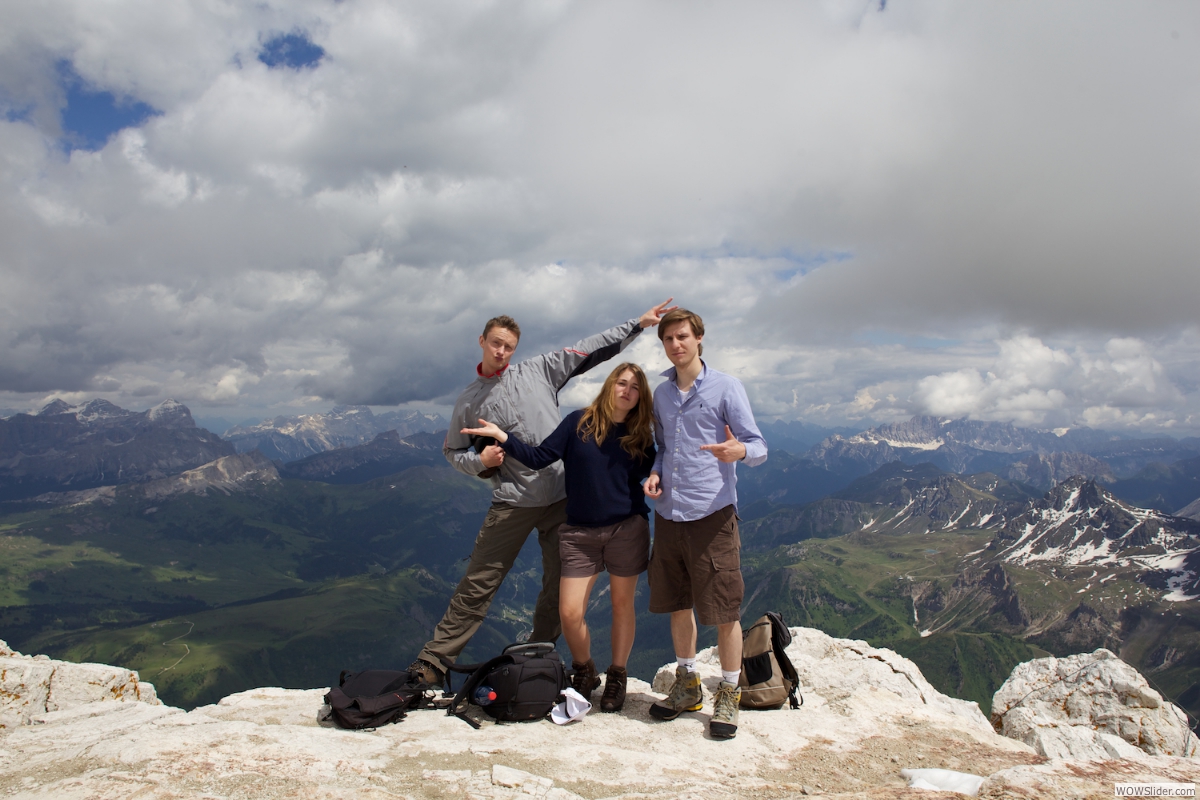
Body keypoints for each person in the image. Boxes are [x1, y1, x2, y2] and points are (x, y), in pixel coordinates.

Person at [407, 300, 677, 688]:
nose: (502, 352)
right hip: (513, 501)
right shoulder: (468, 401)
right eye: (496, 343)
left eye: (509, 346)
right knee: (479, 581)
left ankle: (538, 660)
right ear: (481, 341)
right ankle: (433, 662)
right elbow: (452, 452)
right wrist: (480, 461)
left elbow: (589, 349)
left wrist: (637, 325)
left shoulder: (539, 371)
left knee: (557, 587)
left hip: (564, 499)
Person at [462, 362, 656, 712]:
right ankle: (585, 671)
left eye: (636, 387)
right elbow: (540, 457)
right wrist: (504, 437)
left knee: (621, 605)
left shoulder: (640, 434)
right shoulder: (578, 422)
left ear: (641, 396)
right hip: (579, 531)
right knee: (569, 612)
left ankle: (617, 675)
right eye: (622, 383)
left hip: (626, 529)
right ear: (610, 385)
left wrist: (658, 477)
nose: (627, 391)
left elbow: (655, 470)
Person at [642, 308, 767, 740]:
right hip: (670, 513)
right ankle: (688, 683)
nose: (676, 345)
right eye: (669, 339)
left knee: (724, 608)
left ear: (699, 339)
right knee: (678, 601)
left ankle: (730, 693)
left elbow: (759, 445)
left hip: (713, 513)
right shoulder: (661, 394)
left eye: (683, 337)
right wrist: (656, 472)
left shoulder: (726, 387)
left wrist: (740, 453)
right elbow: (662, 446)